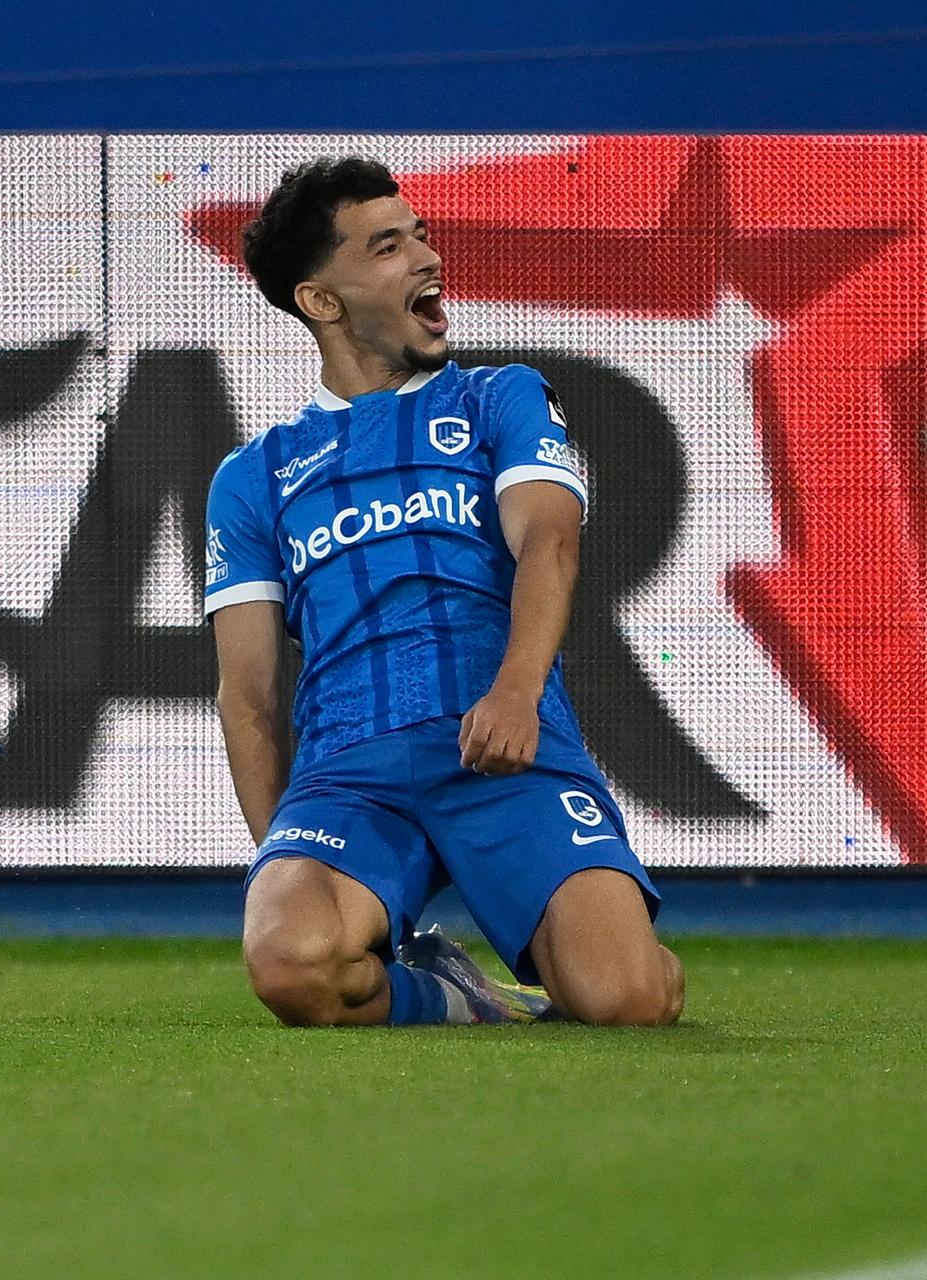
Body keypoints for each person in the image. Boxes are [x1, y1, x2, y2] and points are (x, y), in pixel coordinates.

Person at [203, 155, 685, 1027]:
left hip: (503, 744)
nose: (427, 257)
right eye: (389, 247)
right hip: (349, 773)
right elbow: (248, 696)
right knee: (292, 967)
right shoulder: (252, 476)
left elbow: (550, 540)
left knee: (628, 1003)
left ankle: (617, 954)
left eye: (421, 234)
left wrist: (514, 693)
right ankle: (455, 999)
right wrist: (290, 859)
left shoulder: (502, 397)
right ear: (323, 300)